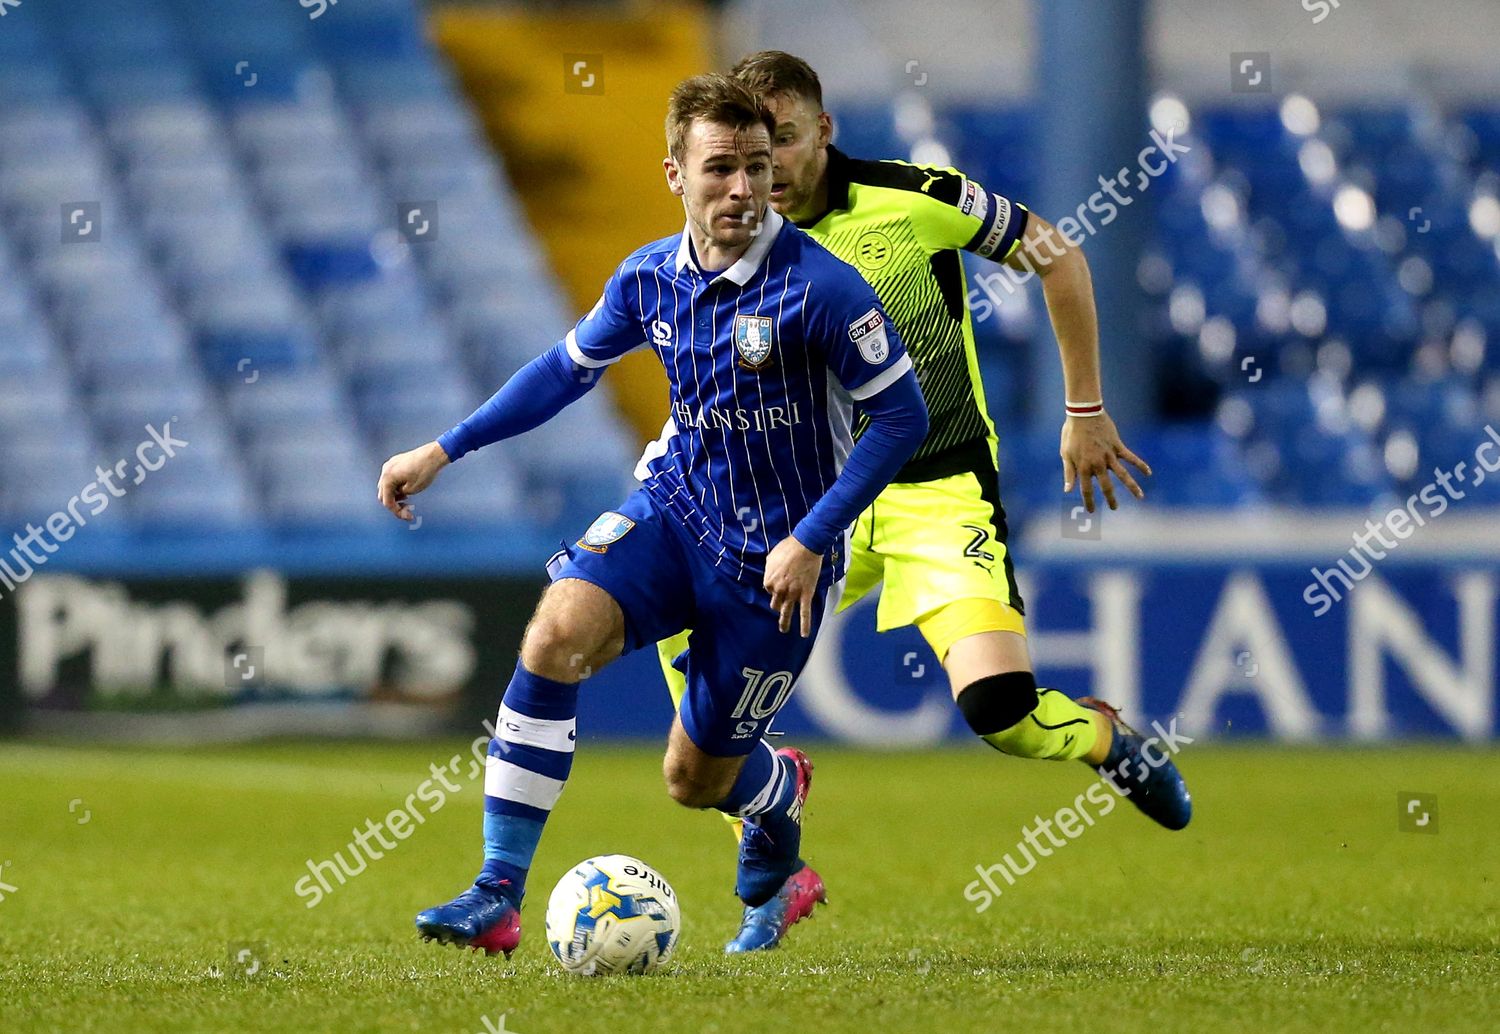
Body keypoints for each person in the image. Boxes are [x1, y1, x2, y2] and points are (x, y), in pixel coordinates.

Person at [376, 73, 929, 958]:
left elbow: (905, 419)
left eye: (756, 167)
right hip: (675, 514)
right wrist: (441, 450)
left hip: (775, 562)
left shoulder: (825, 291)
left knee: (693, 778)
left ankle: (772, 796)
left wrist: (812, 538)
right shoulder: (647, 279)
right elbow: (563, 372)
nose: (743, 189)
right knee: (556, 632)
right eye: (719, 169)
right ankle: (497, 893)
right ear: (675, 173)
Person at [655, 52, 1192, 953]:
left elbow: (1057, 255)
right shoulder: (731, 236)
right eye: (749, 151)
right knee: (684, 644)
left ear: (823, 131)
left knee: (1002, 715)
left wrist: (1086, 408)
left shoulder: (913, 198)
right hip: (807, 500)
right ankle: (770, 841)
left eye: (782, 141)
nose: (764, 169)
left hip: (937, 488)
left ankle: (1106, 743)